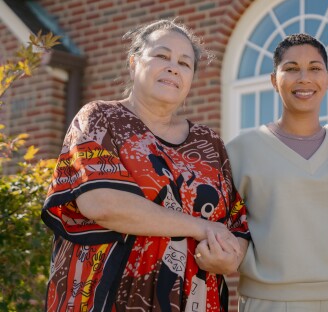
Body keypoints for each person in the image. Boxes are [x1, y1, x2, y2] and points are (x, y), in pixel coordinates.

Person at [41, 19, 249, 312]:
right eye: (161, 56)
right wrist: (201, 227)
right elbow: (101, 202)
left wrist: (230, 256)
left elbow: (236, 224)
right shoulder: (100, 118)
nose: (173, 67)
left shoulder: (209, 142)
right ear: (133, 61)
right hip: (105, 297)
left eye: (184, 63)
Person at [225, 33, 328, 312]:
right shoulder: (239, 151)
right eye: (291, 69)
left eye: (315, 68)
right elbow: (218, 226)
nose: (304, 78)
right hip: (268, 301)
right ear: (274, 80)